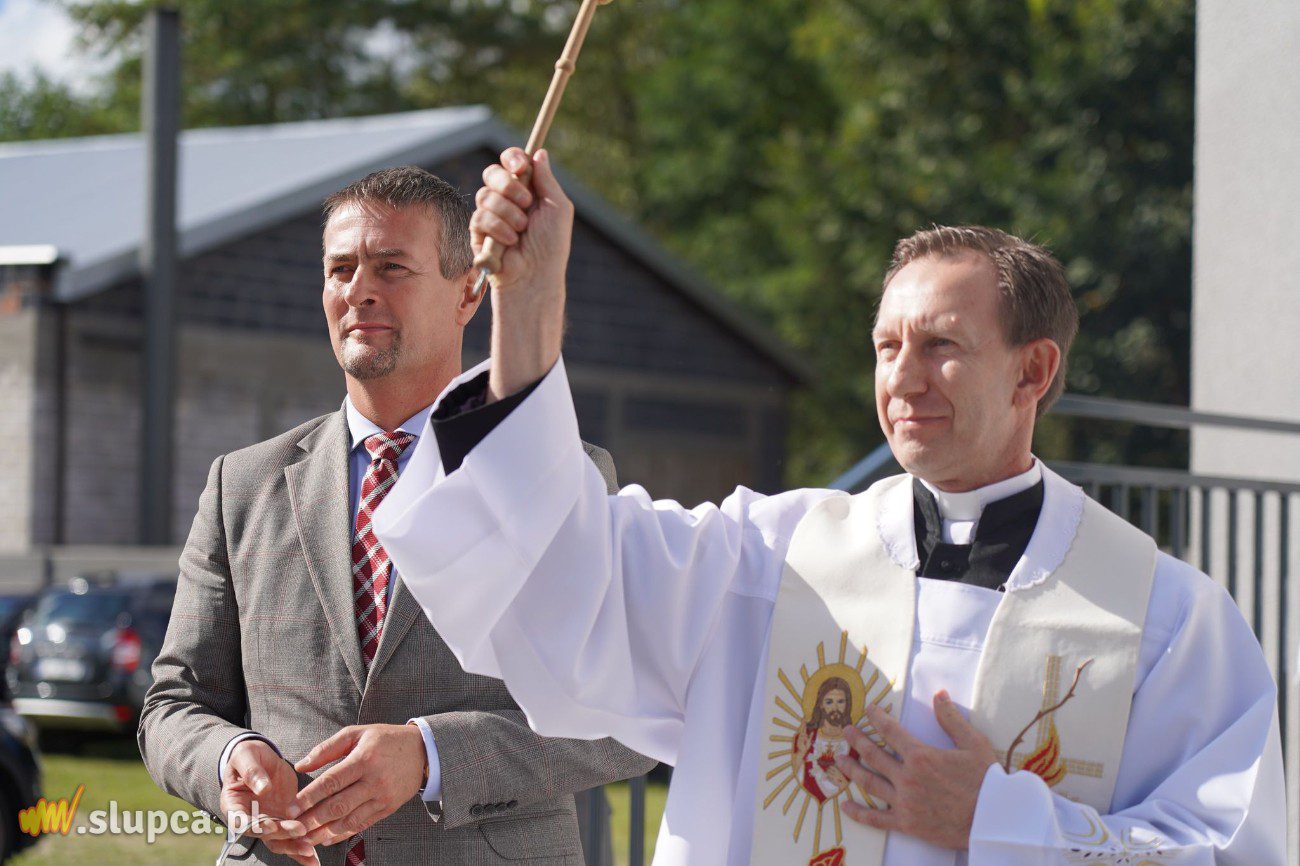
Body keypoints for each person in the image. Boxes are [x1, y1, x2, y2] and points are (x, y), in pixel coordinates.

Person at [372, 148, 1286, 866]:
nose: (903, 379)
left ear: (1034, 370)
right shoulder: (772, 562)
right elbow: (569, 570)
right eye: (886, 346)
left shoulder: (1165, 620)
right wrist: (530, 303)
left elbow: (1230, 852)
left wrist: (999, 822)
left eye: (941, 346)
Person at [138, 165, 653, 866]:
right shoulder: (244, 486)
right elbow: (173, 705)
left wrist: (432, 755)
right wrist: (231, 754)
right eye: (340, 268)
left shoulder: (559, 476)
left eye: (391, 267)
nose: (358, 291)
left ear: (469, 290)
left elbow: (623, 721)